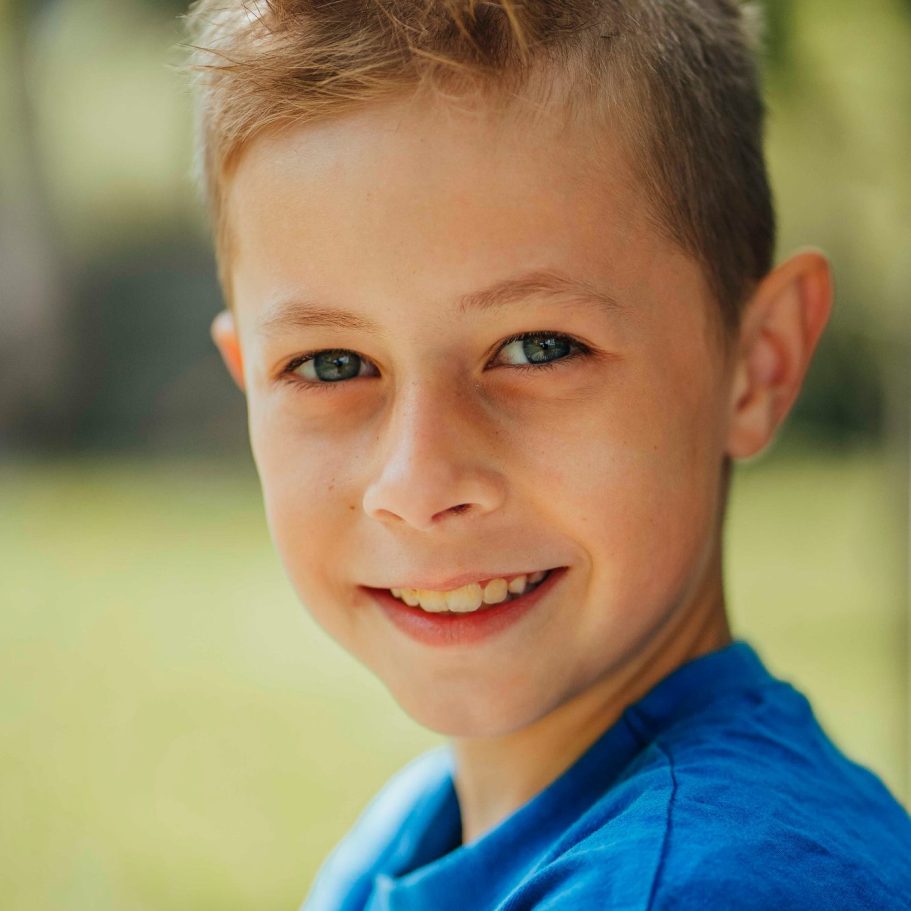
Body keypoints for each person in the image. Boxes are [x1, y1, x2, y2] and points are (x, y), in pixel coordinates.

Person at [184, 0, 911, 907]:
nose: (418, 482)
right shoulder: (410, 832)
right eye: (331, 365)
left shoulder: (711, 883)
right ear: (249, 378)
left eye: (537, 347)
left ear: (755, 365)